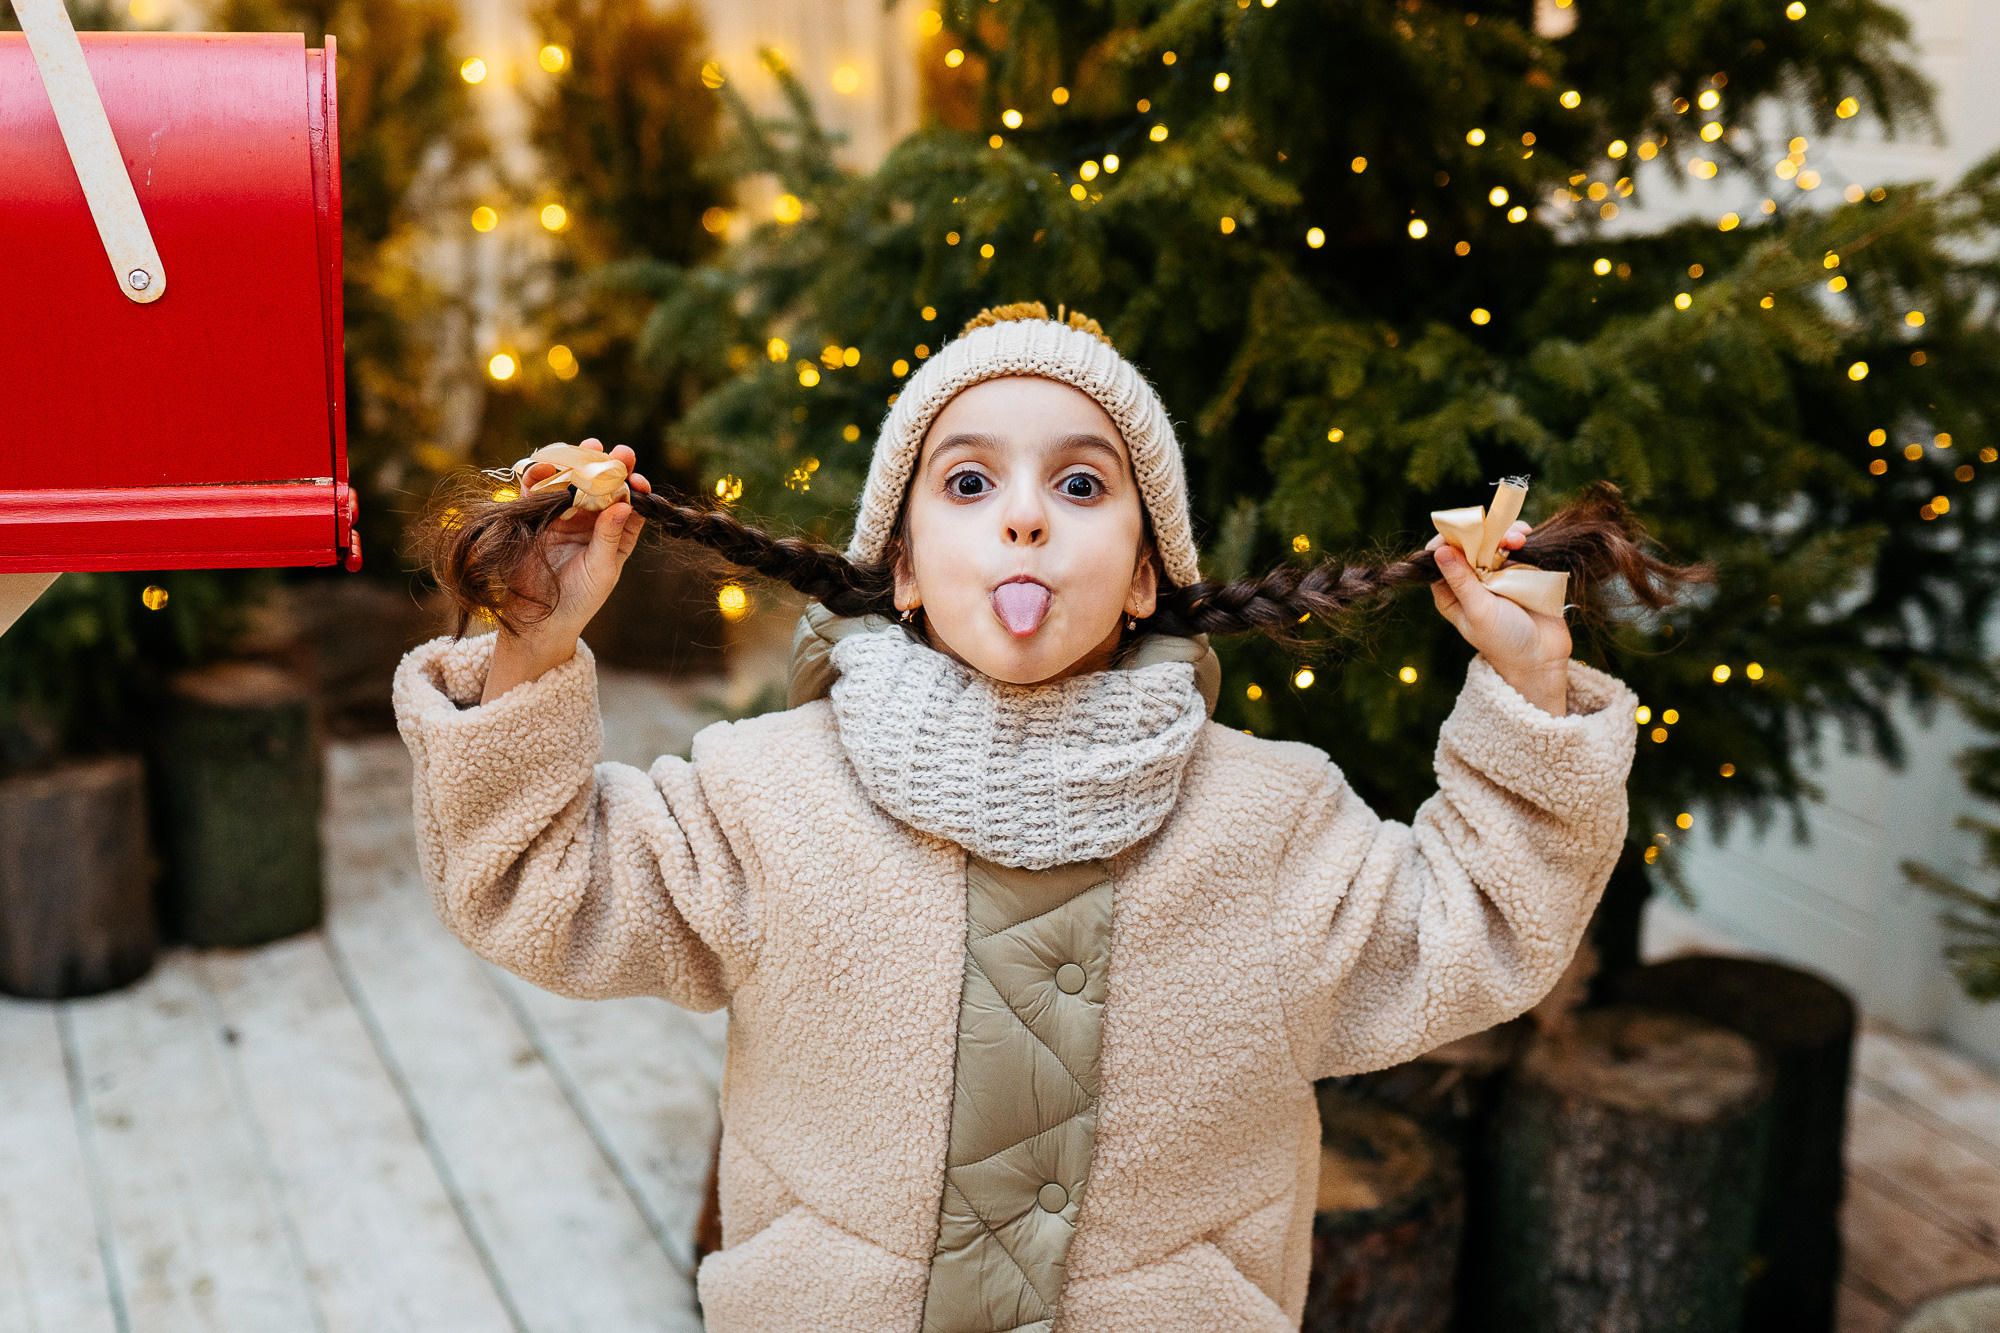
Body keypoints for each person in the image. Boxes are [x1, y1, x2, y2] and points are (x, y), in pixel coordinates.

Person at [396, 303, 1679, 1332]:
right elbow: (539, 886)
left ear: (1139, 578)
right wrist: (525, 649)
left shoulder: (1268, 825)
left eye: (1078, 486)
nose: (1022, 514)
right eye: (968, 483)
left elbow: (1472, 930)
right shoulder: (765, 799)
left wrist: (1530, 692)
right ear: (898, 569)